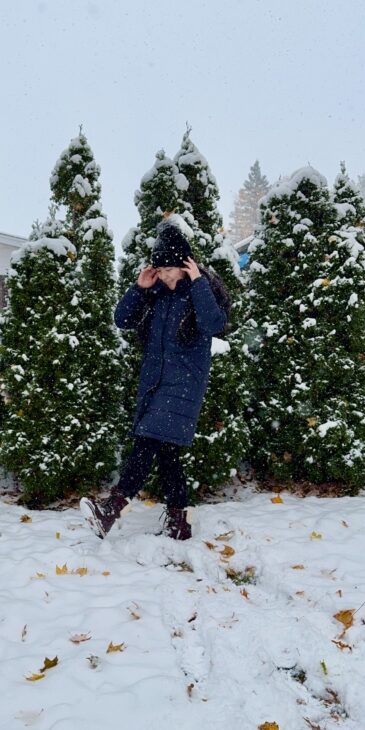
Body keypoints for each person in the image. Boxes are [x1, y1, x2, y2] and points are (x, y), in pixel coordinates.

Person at [80, 219, 230, 541]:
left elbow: (215, 323)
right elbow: (122, 320)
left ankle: (112, 510)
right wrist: (140, 288)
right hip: (155, 384)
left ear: (184, 265)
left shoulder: (199, 292)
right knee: (167, 454)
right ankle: (180, 523)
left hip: (184, 385)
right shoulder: (158, 295)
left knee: (146, 442)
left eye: (167, 269)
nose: (162, 274)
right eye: (158, 269)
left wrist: (198, 281)